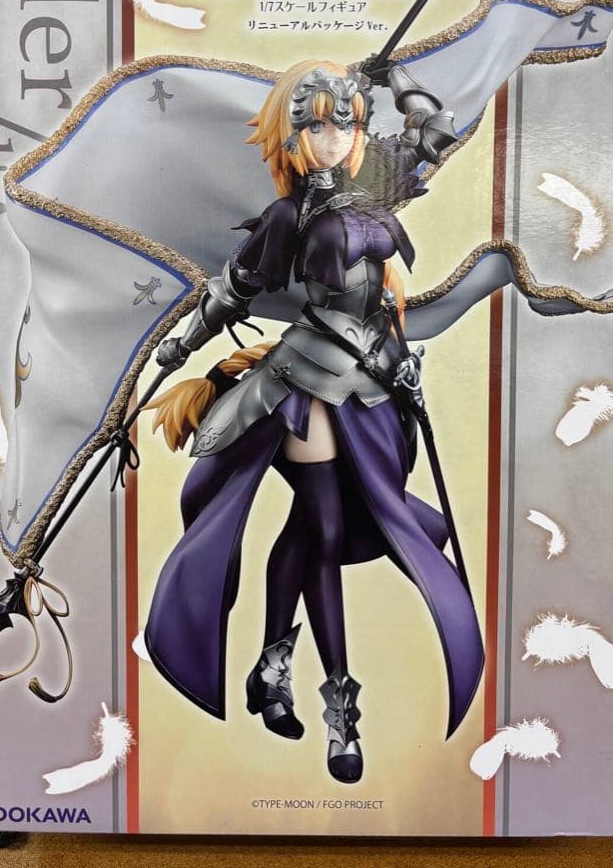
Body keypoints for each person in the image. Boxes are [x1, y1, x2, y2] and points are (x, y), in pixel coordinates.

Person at [142, 57, 484, 784]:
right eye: (319, 128)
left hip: (377, 380)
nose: (333, 141)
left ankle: (271, 666)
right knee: (326, 527)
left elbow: (438, 130)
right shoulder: (286, 217)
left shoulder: (376, 183)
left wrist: (393, 79)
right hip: (309, 377)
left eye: (345, 126)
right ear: (293, 135)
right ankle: (340, 708)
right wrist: (175, 347)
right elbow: (232, 290)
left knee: (314, 526)